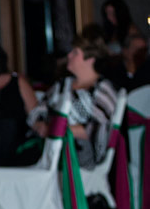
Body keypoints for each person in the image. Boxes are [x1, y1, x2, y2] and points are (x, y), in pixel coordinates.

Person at [27, 36, 118, 168]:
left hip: (80, 156)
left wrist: (56, 130)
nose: (69, 55)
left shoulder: (102, 89)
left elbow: (99, 127)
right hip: (47, 149)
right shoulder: (63, 84)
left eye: (75, 52)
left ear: (90, 59)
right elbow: (39, 110)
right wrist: (39, 124)